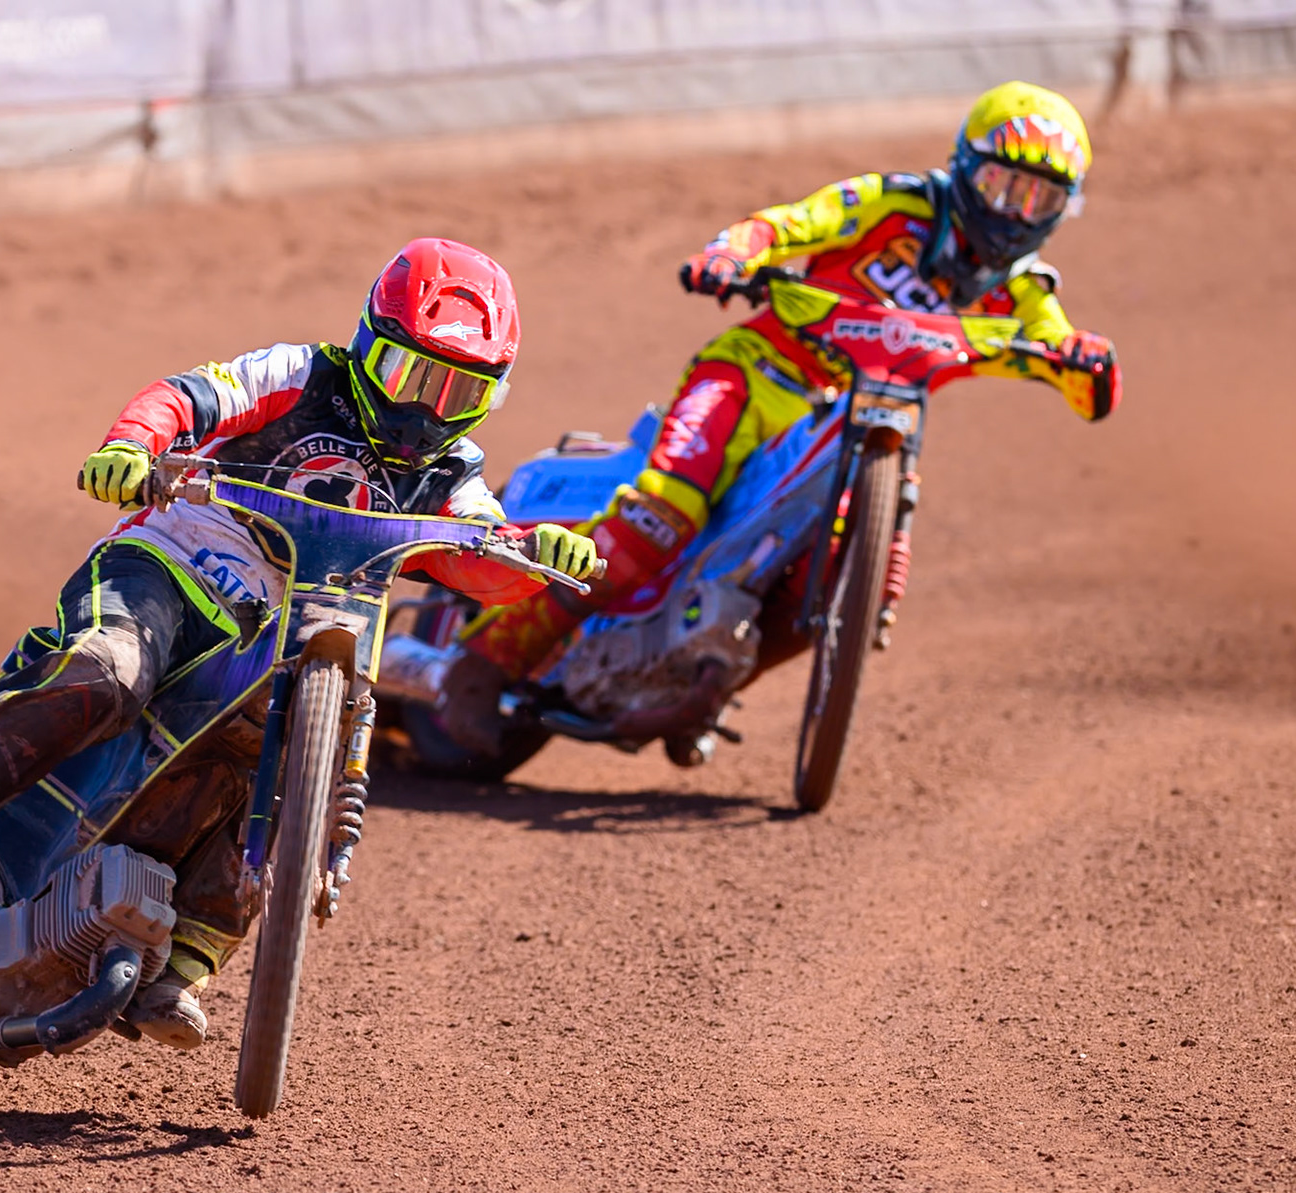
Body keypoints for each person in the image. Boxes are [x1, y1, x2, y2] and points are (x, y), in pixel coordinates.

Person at [0, 237, 597, 1049]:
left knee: (281, 758)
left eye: (459, 389)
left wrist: (540, 556)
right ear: (369, 345)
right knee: (108, 673)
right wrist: (132, 445)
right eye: (411, 376)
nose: (427, 409)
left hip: (283, 636)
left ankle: (183, 956)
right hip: (173, 564)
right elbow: (186, 398)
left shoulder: (452, 471)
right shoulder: (301, 375)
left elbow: (482, 550)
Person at [440, 81, 1123, 756]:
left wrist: (1088, 360)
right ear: (967, 168)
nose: (1015, 211)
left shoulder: (1025, 289)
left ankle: (692, 684)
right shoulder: (896, 203)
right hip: (753, 375)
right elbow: (789, 224)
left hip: (856, 425)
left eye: (1041, 198)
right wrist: (734, 252)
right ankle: (481, 664)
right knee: (659, 519)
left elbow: (1080, 379)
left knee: (819, 588)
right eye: (1005, 185)